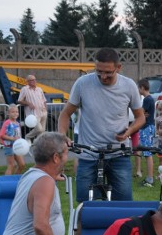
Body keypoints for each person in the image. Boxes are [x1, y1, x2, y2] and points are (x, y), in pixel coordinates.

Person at [57, 48, 145, 203]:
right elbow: (65, 114)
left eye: (108, 73)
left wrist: (129, 131)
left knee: (124, 205)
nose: (103, 77)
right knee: (84, 207)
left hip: (119, 153)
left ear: (118, 67)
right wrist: (62, 135)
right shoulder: (82, 83)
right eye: (99, 72)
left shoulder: (129, 86)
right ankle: (82, 228)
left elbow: (140, 118)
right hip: (88, 154)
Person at [135, 79, 156, 187]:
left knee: (148, 154)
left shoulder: (147, 99)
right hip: (147, 127)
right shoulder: (148, 99)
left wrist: (141, 114)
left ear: (142, 88)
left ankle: (150, 179)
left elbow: (140, 113)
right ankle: (149, 177)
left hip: (147, 128)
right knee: (147, 153)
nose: (137, 90)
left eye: (138, 88)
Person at [17, 74, 48, 140]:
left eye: (34, 79)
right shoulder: (25, 89)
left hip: (43, 112)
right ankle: (27, 137)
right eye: (32, 80)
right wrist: (28, 103)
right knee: (39, 129)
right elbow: (19, 100)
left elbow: (44, 99)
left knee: (42, 131)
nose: (34, 81)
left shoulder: (39, 89)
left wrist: (46, 108)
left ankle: (39, 145)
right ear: (27, 81)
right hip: (33, 114)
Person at [0, 105, 26, 175]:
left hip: (17, 147)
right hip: (9, 147)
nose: (15, 113)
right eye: (13, 112)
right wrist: (12, 138)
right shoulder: (7, 123)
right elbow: (1, 135)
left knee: (22, 164)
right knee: (11, 165)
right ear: (8, 113)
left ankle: (15, 178)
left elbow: (18, 135)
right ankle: (6, 182)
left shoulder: (17, 123)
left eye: (17, 112)